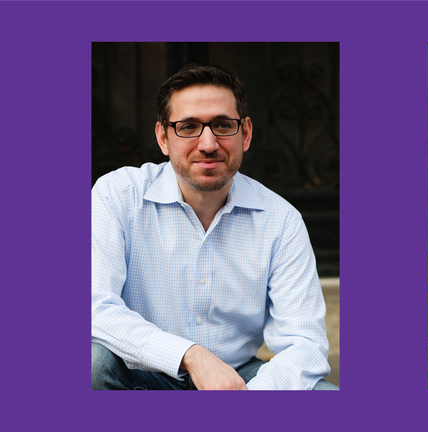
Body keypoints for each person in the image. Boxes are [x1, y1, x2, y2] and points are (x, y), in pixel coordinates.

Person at [92, 63, 337, 390]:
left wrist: (248, 400)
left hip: (236, 378)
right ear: (163, 137)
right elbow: (95, 307)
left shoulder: (281, 220)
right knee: (92, 364)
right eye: (189, 127)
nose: (208, 144)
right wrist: (190, 356)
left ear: (245, 134)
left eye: (223, 125)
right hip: (141, 373)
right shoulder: (117, 195)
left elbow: (305, 343)